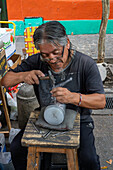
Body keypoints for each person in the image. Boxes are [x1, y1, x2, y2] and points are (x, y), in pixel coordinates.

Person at [1, 21, 106, 170]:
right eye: (45, 55)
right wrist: (24, 75)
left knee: (89, 159)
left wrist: (74, 98)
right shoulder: (37, 61)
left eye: (56, 52)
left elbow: (101, 101)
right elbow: (5, 80)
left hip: (79, 119)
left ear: (67, 43)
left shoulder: (85, 64)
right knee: (18, 148)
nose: (52, 59)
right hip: (45, 115)